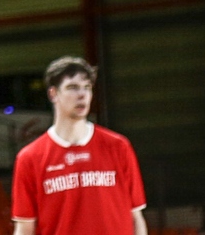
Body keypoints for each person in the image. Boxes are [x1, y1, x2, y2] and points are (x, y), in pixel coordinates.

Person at [11, 56, 147, 235]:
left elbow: (136, 217)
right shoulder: (30, 158)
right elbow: (24, 228)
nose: (82, 95)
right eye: (72, 87)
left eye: (87, 88)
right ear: (53, 94)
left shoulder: (118, 146)